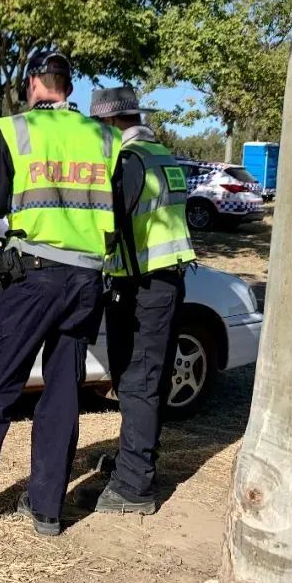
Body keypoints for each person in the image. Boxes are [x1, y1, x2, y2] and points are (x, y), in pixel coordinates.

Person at [0, 45, 121, 536]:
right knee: (63, 395)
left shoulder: (16, 130)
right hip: (86, 282)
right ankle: (47, 511)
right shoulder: (104, 139)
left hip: (31, 280)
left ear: (32, 83)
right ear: (68, 86)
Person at [89, 86, 196, 515]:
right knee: (142, 381)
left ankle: (135, 487)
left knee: (138, 382)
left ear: (112, 123)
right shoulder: (161, 154)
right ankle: (132, 464)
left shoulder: (130, 161)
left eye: (100, 127)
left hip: (144, 287)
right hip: (164, 284)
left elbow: (110, 226)